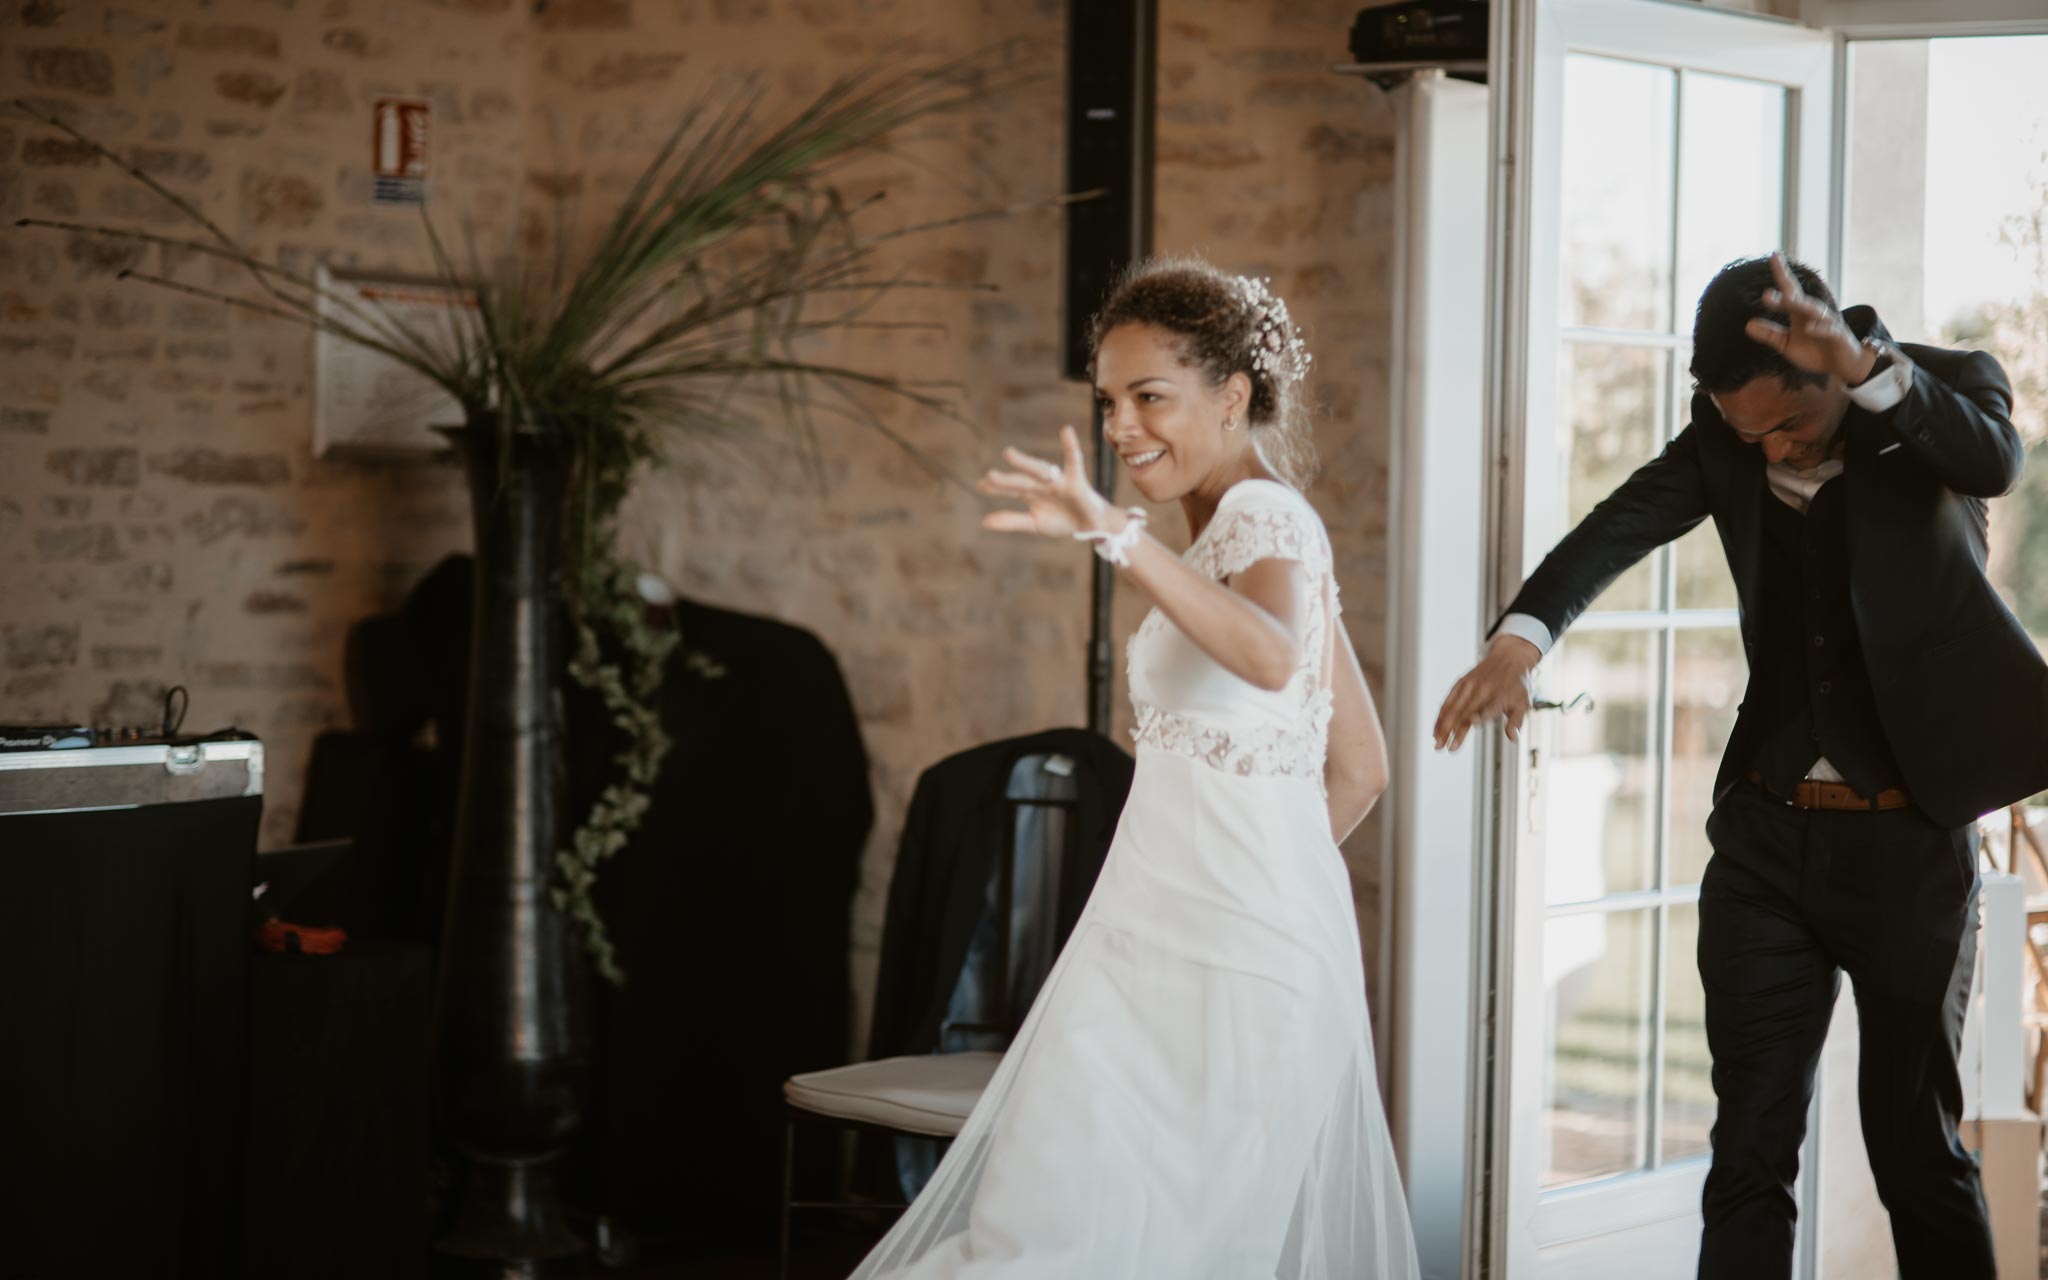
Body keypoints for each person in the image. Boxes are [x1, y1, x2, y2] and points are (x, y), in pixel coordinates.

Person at [1434, 252, 2048, 1279]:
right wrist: (1518, 639)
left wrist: (1862, 366)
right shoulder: (1727, 432)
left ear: (1828, 374)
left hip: (1906, 841)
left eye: (1783, 425)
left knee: (1913, 1153)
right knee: (1747, 1153)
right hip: (1763, 844)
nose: (1762, 447)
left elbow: (1993, 461)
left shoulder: (1940, 383)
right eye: (1740, 429)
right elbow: (1614, 526)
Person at [847, 257, 1421, 1279]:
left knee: (1079, 1241)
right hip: (1164, 951)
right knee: (1063, 1225)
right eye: (1107, 399)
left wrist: (1113, 535)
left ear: (1232, 395)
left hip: (1225, 979)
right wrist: (1247, 888)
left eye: (1148, 395)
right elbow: (1362, 765)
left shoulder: (1266, 519)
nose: (1120, 424)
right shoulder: (1221, 537)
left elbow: (1267, 654)